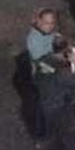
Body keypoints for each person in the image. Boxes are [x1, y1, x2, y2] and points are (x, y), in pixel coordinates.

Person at [25, 8, 58, 138]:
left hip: (50, 75)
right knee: (42, 108)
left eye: (52, 23)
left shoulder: (47, 33)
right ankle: (40, 134)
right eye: (46, 23)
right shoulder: (33, 38)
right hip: (40, 77)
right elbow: (39, 61)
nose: (49, 26)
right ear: (39, 21)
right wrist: (54, 69)